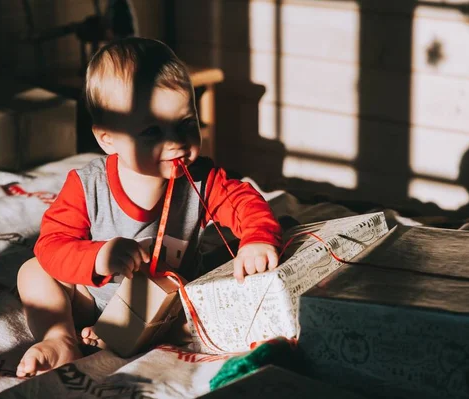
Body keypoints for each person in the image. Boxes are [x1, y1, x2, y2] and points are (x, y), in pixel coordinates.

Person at [15, 37, 282, 377]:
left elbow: (243, 201)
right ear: (107, 138)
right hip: (93, 301)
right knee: (34, 270)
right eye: (152, 130)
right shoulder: (87, 186)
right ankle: (60, 339)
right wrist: (97, 257)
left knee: (216, 306)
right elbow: (52, 246)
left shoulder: (200, 178)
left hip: (168, 307)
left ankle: (129, 338)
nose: (176, 142)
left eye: (186, 124)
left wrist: (258, 238)